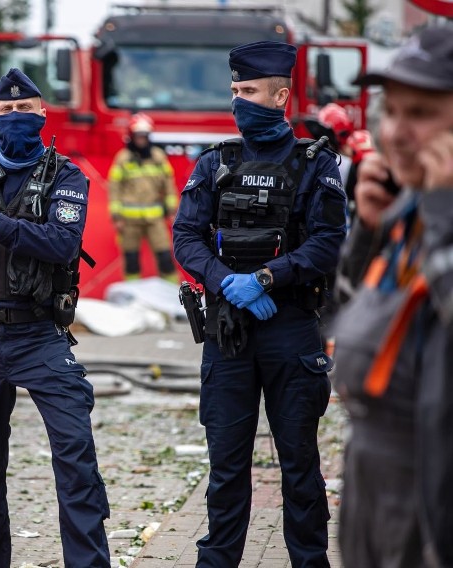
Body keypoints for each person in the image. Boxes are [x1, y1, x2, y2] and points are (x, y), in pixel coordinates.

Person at [172, 41, 348, 567]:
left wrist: (269, 278)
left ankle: (309, 561)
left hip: (291, 328)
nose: (238, 101)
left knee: (298, 462)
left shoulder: (315, 165)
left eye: (248, 91)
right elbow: (186, 236)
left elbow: (329, 240)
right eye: (234, 92)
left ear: (280, 96)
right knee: (226, 466)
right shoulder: (216, 162)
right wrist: (227, 282)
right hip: (229, 332)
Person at [0, 68, 111, 568]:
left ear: (42, 116)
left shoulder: (66, 176)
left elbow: (62, 245)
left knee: (76, 457)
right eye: (6, 111)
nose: (15, 118)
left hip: (39, 334)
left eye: (24, 111)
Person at [332, 26, 453, 568]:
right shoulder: (412, 214)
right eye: (391, 111)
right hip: (378, 506)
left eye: (422, 113)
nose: (397, 133)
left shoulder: (439, 214)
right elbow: (344, 322)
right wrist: (369, 235)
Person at [108, 112, 177, 280]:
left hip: (155, 219)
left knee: (165, 258)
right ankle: (132, 296)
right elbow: (114, 188)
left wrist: (173, 210)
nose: (141, 139)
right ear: (131, 136)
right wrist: (116, 217)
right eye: (138, 135)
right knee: (131, 260)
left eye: (144, 135)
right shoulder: (123, 159)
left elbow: (169, 185)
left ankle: (173, 294)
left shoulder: (158, 157)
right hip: (129, 221)